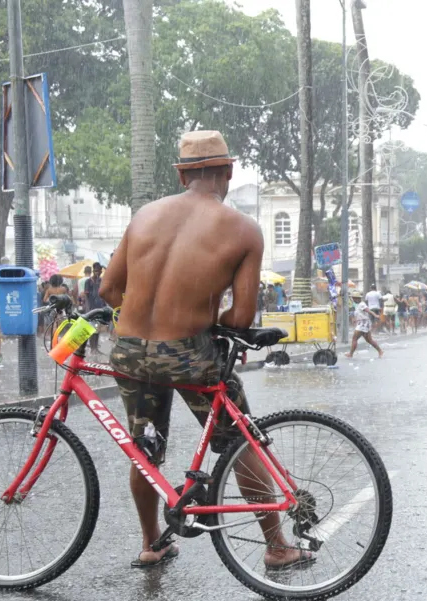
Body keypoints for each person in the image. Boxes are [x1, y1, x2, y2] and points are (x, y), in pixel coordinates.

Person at [99, 129, 311, 571]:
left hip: (131, 352)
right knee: (239, 441)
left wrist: (145, 320)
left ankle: (151, 542)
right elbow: (241, 317)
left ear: (181, 176)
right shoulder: (243, 230)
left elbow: (108, 289)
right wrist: (197, 320)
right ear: (228, 172)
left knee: (146, 448)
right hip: (190, 356)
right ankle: (275, 546)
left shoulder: (143, 217)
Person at [83, 262, 106, 353]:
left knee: (98, 329)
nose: (97, 273)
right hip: (91, 309)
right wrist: (88, 309)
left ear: (101, 272)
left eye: (99, 271)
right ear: (93, 271)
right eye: (96, 271)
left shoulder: (101, 281)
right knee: (92, 329)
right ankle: (92, 348)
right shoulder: (88, 282)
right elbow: (86, 296)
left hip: (100, 308)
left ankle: (96, 348)